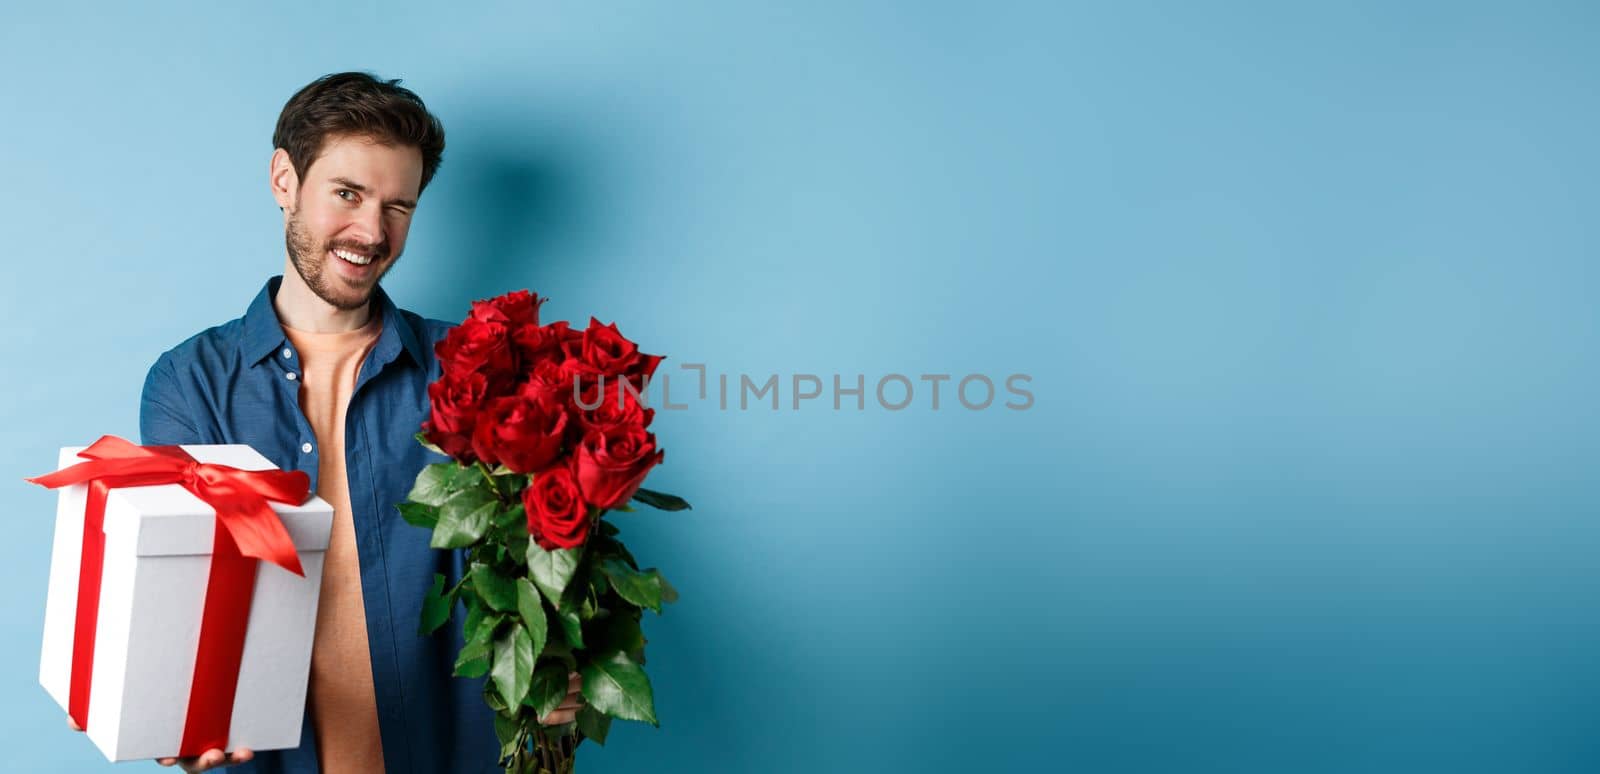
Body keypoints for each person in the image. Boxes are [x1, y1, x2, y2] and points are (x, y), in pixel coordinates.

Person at [65, 72, 583, 773]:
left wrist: (558, 671)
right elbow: (182, 595)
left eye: (398, 206)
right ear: (285, 178)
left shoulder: (470, 365)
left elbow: (536, 563)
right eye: (348, 194)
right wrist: (180, 716)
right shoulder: (191, 382)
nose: (372, 232)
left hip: (446, 752)